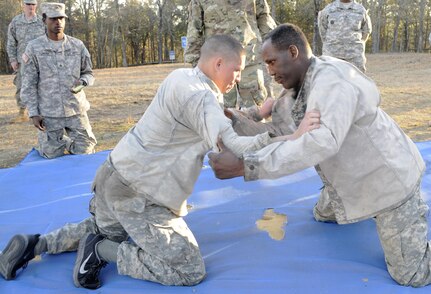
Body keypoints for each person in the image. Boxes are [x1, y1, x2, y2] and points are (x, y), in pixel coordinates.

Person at [0, 35, 320, 289]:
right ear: (219, 63)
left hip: (113, 179)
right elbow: (235, 143)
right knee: (187, 270)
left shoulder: (182, 77)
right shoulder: (202, 98)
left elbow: (219, 119)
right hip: (141, 197)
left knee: (103, 227)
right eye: (236, 71)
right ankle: (100, 252)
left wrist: (255, 114)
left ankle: (34, 244)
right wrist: (290, 137)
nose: (237, 79)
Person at [208, 23, 431, 288]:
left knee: (412, 275)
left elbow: (320, 143)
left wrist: (246, 167)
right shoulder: (295, 88)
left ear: (293, 52)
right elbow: (277, 133)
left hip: (390, 184)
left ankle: (410, 212)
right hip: (346, 182)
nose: (270, 72)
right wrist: (236, 120)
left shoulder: (332, 81)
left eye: (271, 62)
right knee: (323, 215)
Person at [20, 2, 97, 159]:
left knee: (86, 151)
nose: (58, 23)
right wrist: (34, 113)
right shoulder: (34, 48)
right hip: (49, 113)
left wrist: (83, 82)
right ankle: (59, 143)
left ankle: (67, 142)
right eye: (53, 19)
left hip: (75, 110)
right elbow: (28, 84)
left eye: (61, 18)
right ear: (44, 20)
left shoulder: (77, 46)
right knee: (51, 156)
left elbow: (89, 73)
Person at [185, 0, 277, 109]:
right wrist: (197, 64)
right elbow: (195, 28)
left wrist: (275, 48)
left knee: (256, 109)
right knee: (219, 110)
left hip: (250, 59)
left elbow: (264, 18)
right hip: (218, 64)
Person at [6, 0, 45, 122]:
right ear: (23, 5)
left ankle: (43, 112)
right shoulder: (16, 22)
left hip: (41, 61)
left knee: (43, 85)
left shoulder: (42, 21)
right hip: (22, 62)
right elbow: (11, 42)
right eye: (28, 4)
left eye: (33, 4)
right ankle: (22, 112)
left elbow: (48, 40)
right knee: (21, 86)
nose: (31, 7)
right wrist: (13, 59)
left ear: (36, 6)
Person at [318, 0, 372, 72]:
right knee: (331, 81)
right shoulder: (328, 10)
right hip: (332, 57)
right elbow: (323, 31)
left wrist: (355, 46)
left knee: (356, 82)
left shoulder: (361, 10)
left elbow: (366, 32)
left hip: (354, 58)